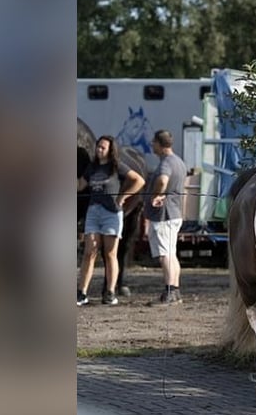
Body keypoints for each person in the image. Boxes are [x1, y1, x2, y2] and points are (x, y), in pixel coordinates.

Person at [77, 135, 145, 306]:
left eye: (103, 147)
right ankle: (82, 292)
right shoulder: (91, 168)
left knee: (110, 254)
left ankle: (110, 292)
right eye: (98, 147)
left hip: (111, 214)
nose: (99, 150)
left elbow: (139, 180)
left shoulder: (116, 167)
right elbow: (79, 186)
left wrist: (123, 197)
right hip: (93, 212)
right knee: (89, 252)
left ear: (110, 150)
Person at [143, 130, 187, 305]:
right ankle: (175, 291)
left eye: (153, 142)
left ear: (159, 144)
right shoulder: (179, 162)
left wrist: (156, 195)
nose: (152, 146)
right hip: (175, 213)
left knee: (164, 255)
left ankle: (169, 291)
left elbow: (162, 180)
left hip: (164, 215)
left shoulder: (166, 163)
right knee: (171, 253)